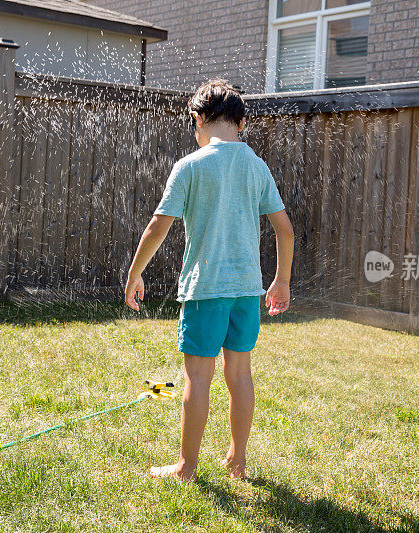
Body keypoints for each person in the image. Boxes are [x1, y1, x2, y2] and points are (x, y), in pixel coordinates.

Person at [123, 79, 295, 482]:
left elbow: (156, 227)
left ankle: (186, 467)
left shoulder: (190, 166)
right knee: (240, 375)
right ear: (241, 121)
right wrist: (281, 281)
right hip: (246, 291)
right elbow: (285, 230)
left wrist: (135, 273)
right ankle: (237, 460)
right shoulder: (256, 165)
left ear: (198, 119)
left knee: (197, 377)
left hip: (205, 291)